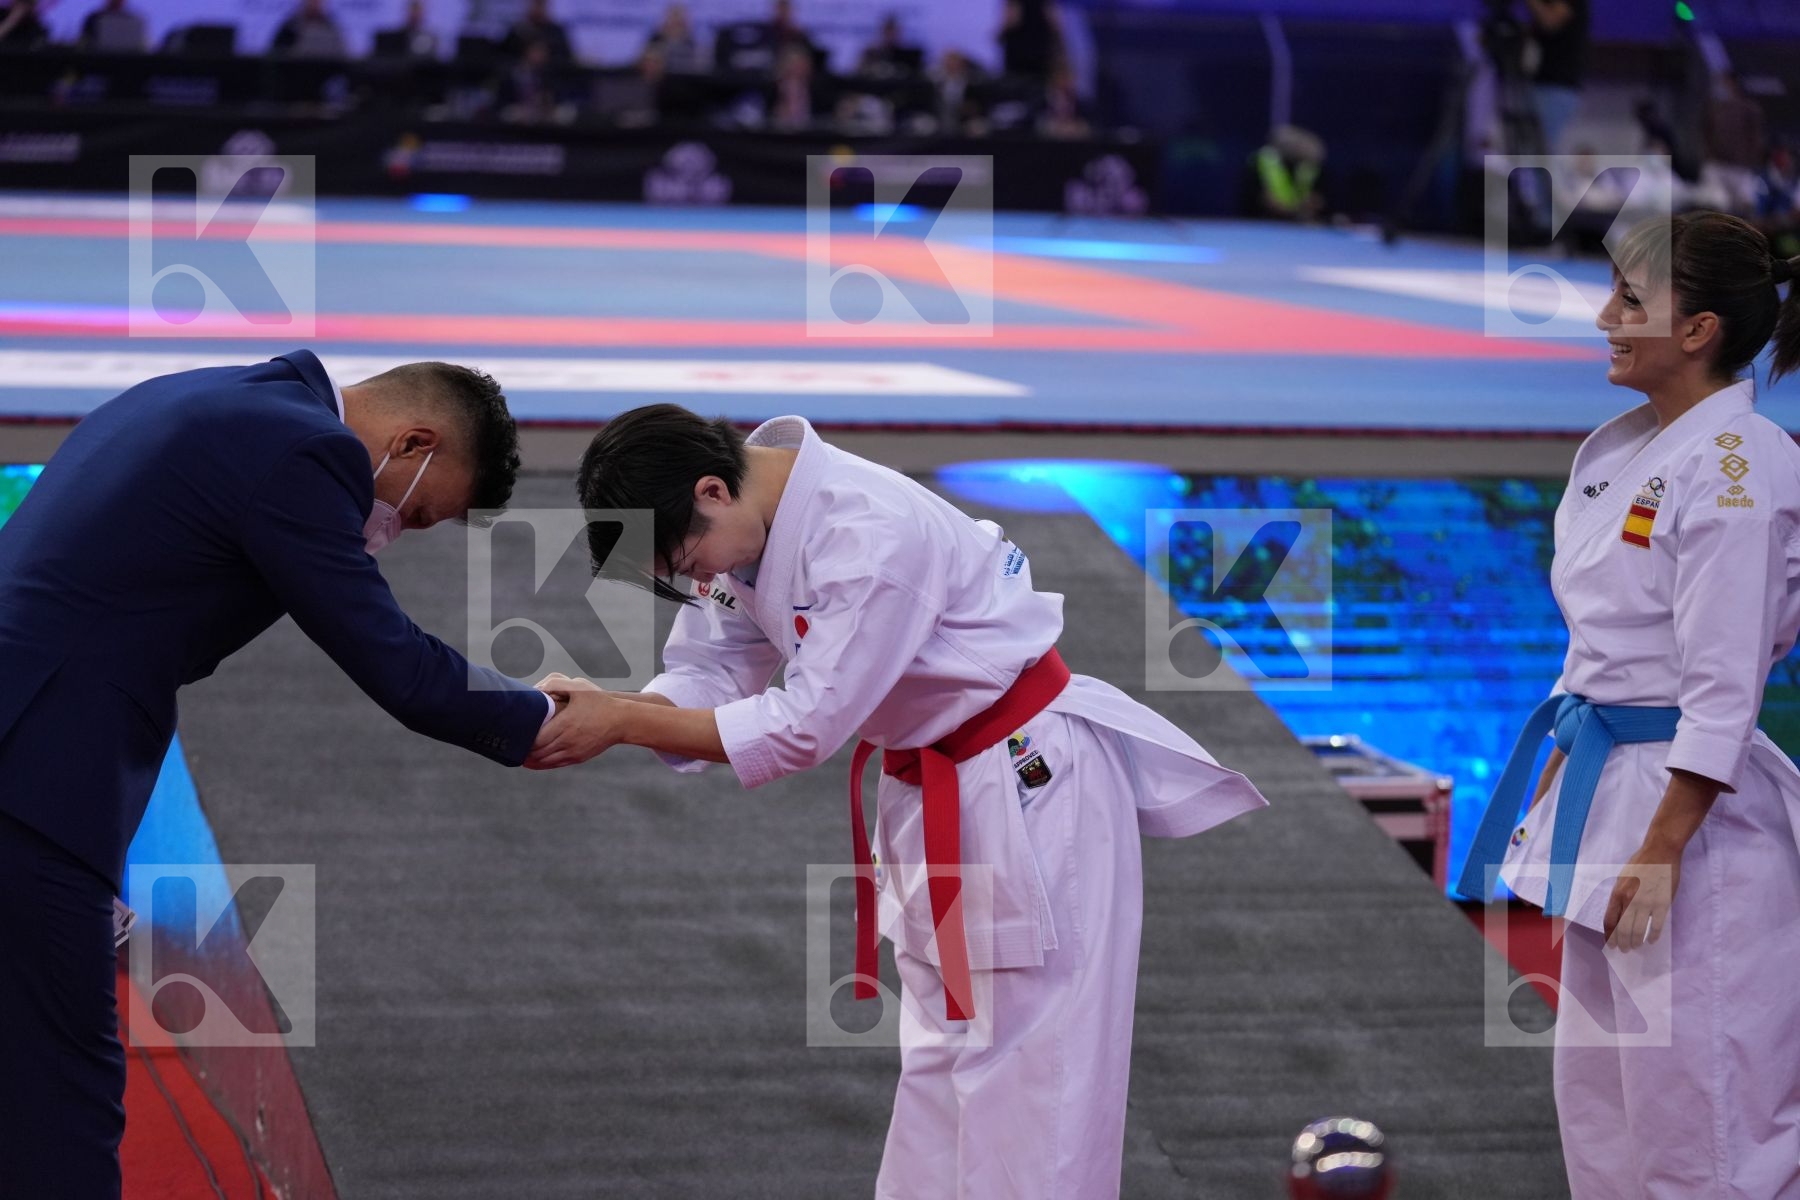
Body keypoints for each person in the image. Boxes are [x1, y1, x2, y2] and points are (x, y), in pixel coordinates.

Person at [531, 406, 1268, 1199]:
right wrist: (622, 709)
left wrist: (625, 722)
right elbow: (714, 669)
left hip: (1022, 782)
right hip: (932, 785)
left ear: (712, 490)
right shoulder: (748, 524)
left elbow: (803, 728)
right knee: (940, 1057)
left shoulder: (868, 534)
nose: (699, 582)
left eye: (686, 560)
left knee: (1033, 1075)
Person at [0, 352, 566, 1199]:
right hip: (34, 773)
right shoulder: (306, 452)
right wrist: (552, 715)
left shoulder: (209, 390)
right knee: (61, 1092)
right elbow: (399, 666)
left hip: (35, 736)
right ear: (413, 443)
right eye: (418, 516)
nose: (393, 530)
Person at [1460, 212, 1800, 1199]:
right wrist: (1556, 784)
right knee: (1607, 1110)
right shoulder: (1629, 452)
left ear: (1697, 331)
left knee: (1707, 1118)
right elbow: (1597, 654)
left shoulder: (1739, 468)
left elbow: (1723, 681)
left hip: (1697, 831)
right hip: (1611, 796)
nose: (1606, 317)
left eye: (1631, 302)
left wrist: (1663, 847)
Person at [1523, 0, 1588, 152]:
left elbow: (1550, 20)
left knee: (1537, 153)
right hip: (1539, 83)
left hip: (1556, 87)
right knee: (1527, 153)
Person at [502, 0, 573, 64]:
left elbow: (566, 59)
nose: (538, 8)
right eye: (534, 4)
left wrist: (546, 56)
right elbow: (505, 57)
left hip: (550, 74)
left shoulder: (555, 32)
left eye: (541, 4)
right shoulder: (517, 31)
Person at [271, 0, 346, 57]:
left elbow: (341, 55)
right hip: (295, 72)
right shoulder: (290, 27)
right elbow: (277, 55)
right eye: (311, 1)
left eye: (317, 2)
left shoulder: (330, 27)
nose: (314, 4)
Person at [644, 3, 704, 73]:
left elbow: (700, 69)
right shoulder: (654, 42)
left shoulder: (695, 46)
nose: (675, 26)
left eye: (679, 23)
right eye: (672, 21)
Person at [80, 0, 148, 52]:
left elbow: (142, 45)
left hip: (127, 60)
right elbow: (84, 42)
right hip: (99, 59)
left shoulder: (133, 20)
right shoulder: (93, 19)